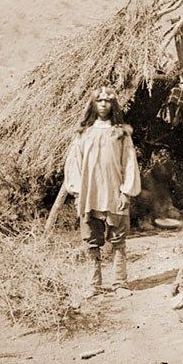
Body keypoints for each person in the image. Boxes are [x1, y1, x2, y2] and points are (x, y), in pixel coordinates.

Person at [64, 85, 141, 297]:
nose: (104, 104)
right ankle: (94, 284)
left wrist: (126, 191)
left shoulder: (121, 133)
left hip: (114, 193)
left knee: (118, 239)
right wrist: (78, 191)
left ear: (113, 104)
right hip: (90, 194)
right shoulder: (84, 133)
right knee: (91, 239)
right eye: (99, 100)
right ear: (93, 104)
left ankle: (120, 283)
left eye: (108, 101)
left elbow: (130, 162)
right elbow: (74, 163)